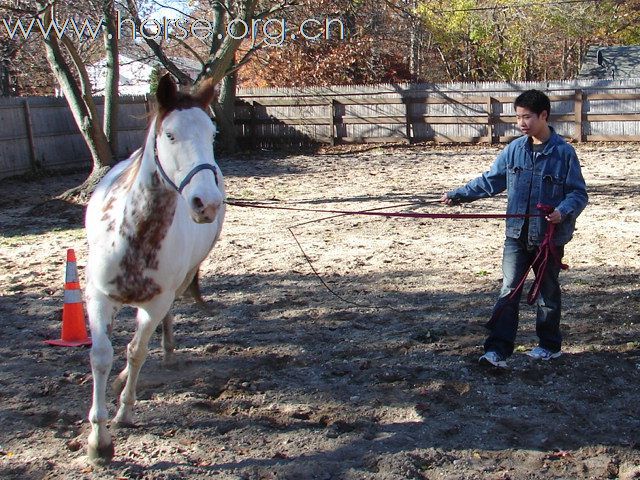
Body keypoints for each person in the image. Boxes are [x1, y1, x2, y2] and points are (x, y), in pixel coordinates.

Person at [440, 89, 588, 369]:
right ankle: (497, 351)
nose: (522, 123)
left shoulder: (564, 153)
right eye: (518, 117)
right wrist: (459, 194)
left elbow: (578, 193)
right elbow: (491, 181)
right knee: (508, 290)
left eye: (527, 117)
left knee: (547, 292)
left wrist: (562, 212)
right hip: (515, 235)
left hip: (548, 239)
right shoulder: (513, 150)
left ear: (544, 115)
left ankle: (548, 346)